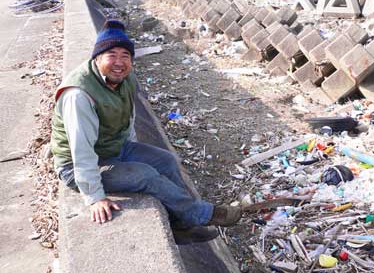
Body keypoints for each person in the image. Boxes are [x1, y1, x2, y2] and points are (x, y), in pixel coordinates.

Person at [51, 19, 241, 231]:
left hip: (113, 148)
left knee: (166, 160)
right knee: (145, 176)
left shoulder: (126, 78)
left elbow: (128, 115)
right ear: (97, 58)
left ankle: (181, 221)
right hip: (78, 166)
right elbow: (81, 150)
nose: (119, 62)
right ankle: (200, 214)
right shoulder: (79, 95)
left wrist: (132, 149)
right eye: (111, 55)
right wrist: (94, 197)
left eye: (125, 56)